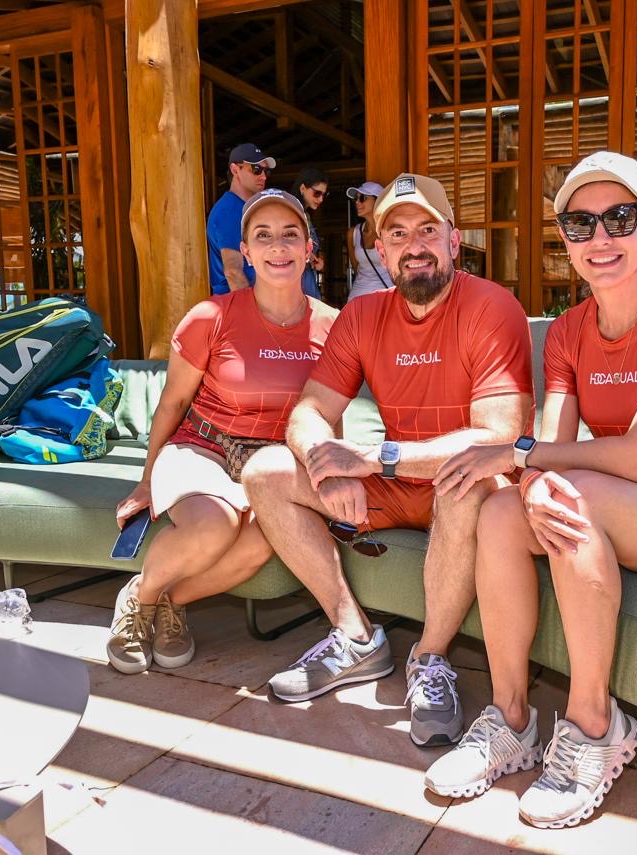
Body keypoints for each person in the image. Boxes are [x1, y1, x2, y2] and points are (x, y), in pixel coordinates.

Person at [422, 152, 637, 828]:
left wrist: (520, 453)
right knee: (497, 511)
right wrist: (529, 474)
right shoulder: (570, 330)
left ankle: (594, 724)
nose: (601, 238)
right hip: (612, 503)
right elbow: (555, 438)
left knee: (562, 494)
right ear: (566, 243)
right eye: (581, 224)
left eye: (619, 218)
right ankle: (513, 718)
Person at [240, 173, 533, 747]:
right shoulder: (363, 315)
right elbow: (308, 412)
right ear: (380, 251)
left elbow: (500, 437)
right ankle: (355, 637)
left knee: (470, 481)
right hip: (396, 482)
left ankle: (429, 660)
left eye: (428, 229)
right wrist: (326, 464)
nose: (414, 244)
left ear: (453, 240)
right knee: (265, 472)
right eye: (397, 234)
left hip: (460, 484)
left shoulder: (493, 306)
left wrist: (374, 459)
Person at [108, 188, 338, 675]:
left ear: (308, 248)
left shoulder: (333, 326)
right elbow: (172, 402)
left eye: (290, 235)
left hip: (274, 460)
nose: (278, 246)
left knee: (264, 539)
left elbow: (325, 415)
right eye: (263, 236)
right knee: (217, 523)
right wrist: (148, 478)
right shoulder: (211, 317)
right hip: (205, 445)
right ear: (246, 253)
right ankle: (138, 596)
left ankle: (167, 603)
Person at [207, 143, 274, 295]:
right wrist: (250, 313)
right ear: (235, 170)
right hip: (236, 305)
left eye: (266, 171)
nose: (263, 176)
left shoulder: (242, 209)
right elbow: (233, 271)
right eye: (256, 170)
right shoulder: (230, 211)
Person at [345, 180, 393, 301]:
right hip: (357, 298)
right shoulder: (353, 234)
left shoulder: (392, 232)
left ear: (378, 201)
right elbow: (357, 268)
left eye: (362, 198)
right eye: (356, 198)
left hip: (386, 298)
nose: (357, 202)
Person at [294, 167, 329, 300]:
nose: (320, 199)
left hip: (307, 278)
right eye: (317, 193)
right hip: (296, 281)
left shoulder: (305, 214)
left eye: (324, 195)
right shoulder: (290, 212)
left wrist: (312, 258)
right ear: (302, 188)